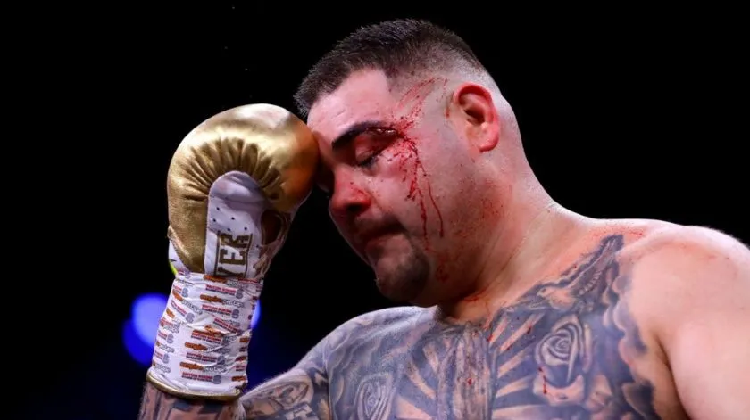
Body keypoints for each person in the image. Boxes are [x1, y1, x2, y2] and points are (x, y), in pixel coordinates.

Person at [139, 19, 750, 419]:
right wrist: (215, 284)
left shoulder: (682, 281)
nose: (342, 201)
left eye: (370, 155)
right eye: (326, 186)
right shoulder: (353, 363)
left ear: (477, 119)